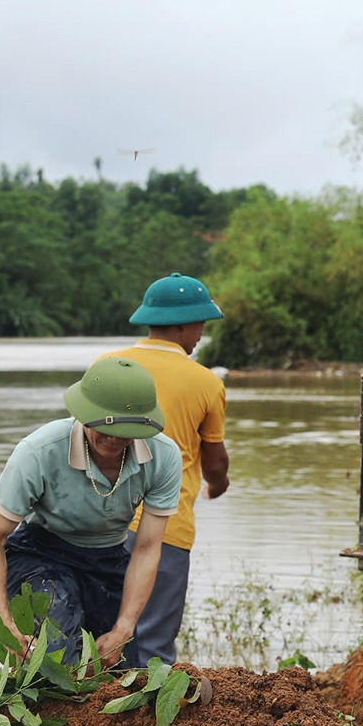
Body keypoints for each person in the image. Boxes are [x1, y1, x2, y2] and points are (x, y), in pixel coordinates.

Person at [0, 355, 181, 669]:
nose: (113, 438)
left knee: (121, 669)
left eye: (125, 429)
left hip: (109, 556)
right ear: (83, 414)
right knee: (59, 657)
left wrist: (124, 627)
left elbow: (147, 547)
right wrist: (4, 623)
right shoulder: (38, 452)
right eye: (102, 426)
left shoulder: (163, 457)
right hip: (41, 552)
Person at [106, 272, 230, 665]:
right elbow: (214, 459)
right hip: (167, 529)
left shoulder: (108, 366)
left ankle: (98, 722)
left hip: (101, 524)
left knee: (104, 641)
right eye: (200, 325)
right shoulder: (205, 382)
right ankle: (151, 725)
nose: (201, 335)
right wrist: (219, 483)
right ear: (181, 324)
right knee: (154, 647)